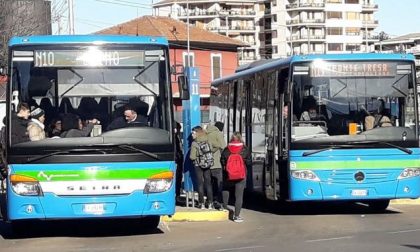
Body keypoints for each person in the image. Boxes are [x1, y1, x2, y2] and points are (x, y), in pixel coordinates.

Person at [221, 132, 251, 223]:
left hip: (228, 174)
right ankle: (236, 216)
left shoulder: (226, 149)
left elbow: (222, 161)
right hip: (241, 175)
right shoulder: (245, 149)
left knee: (226, 188)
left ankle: (225, 207)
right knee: (239, 196)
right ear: (240, 138)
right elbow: (249, 162)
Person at [189, 126, 214, 209]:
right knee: (208, 183)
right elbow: (211, 150)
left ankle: (201, 203)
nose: (192, 134)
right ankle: (210, 203)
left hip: (198, 165)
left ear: (197, 133)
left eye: (193, 133)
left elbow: (192, 157)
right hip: (208, 164)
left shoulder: (194, 143)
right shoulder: (208, 139)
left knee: (200, 184)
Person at [206, 121, 226, 210]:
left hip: (206, 163)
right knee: (219, 184)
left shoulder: (206, 133)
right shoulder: (218, 134)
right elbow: (224, 147)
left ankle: (210, 201)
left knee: (209, 184)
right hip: (217, 163)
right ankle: (219, 203)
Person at [174, 121, 184, 202]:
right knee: (176, 178)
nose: (179, 130)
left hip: (179, 159)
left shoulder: (178, 136)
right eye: (178, 128)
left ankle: (177, 194)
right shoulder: (174, 137)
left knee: (179, 177)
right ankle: (176, 194)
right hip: (176, 160)